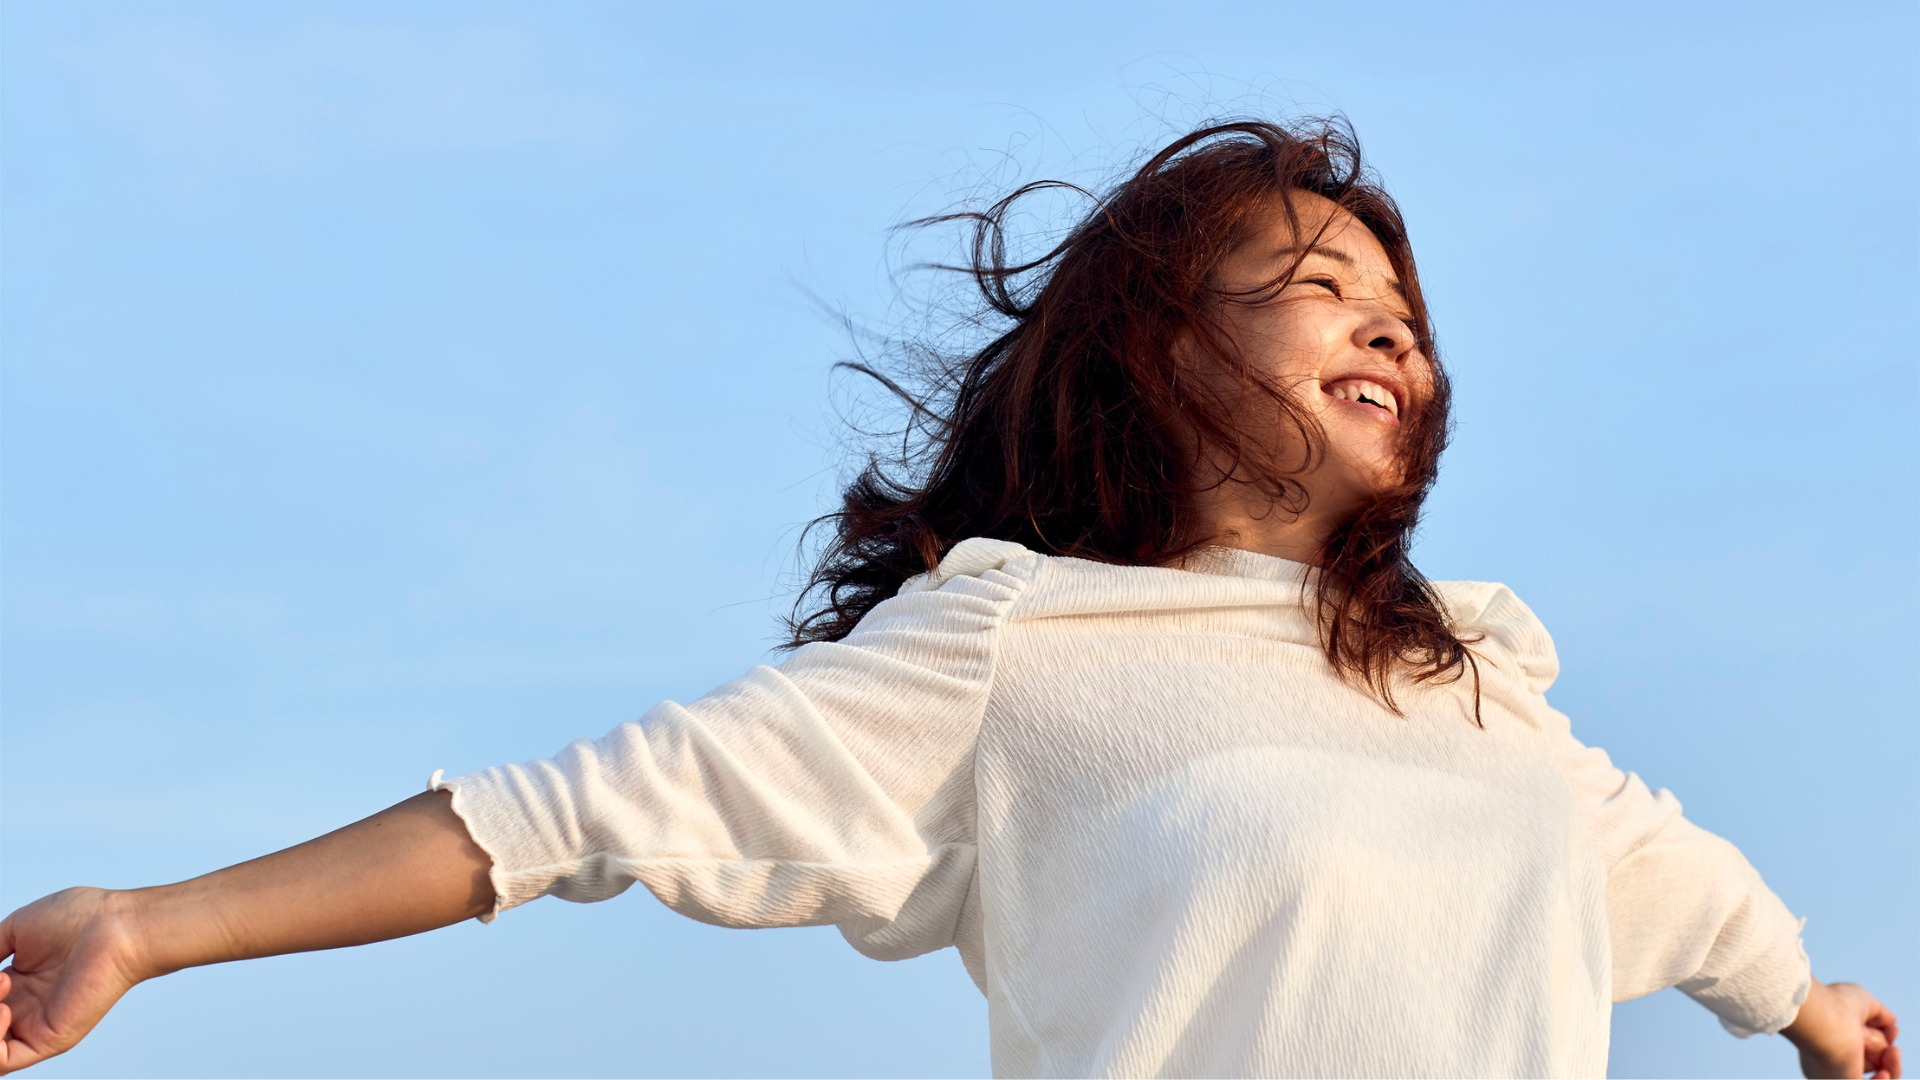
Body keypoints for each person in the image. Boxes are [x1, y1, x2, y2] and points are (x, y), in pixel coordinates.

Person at [0, 119, 1901, 1080]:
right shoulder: (1021, 645)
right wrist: (152, 926)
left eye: (1403, 312)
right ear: (1164, 353)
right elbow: (578, 812)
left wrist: (1810, 1008)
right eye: (1322, 288)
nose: (1389, 329)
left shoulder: (1475, 682)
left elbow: (1679, 882)